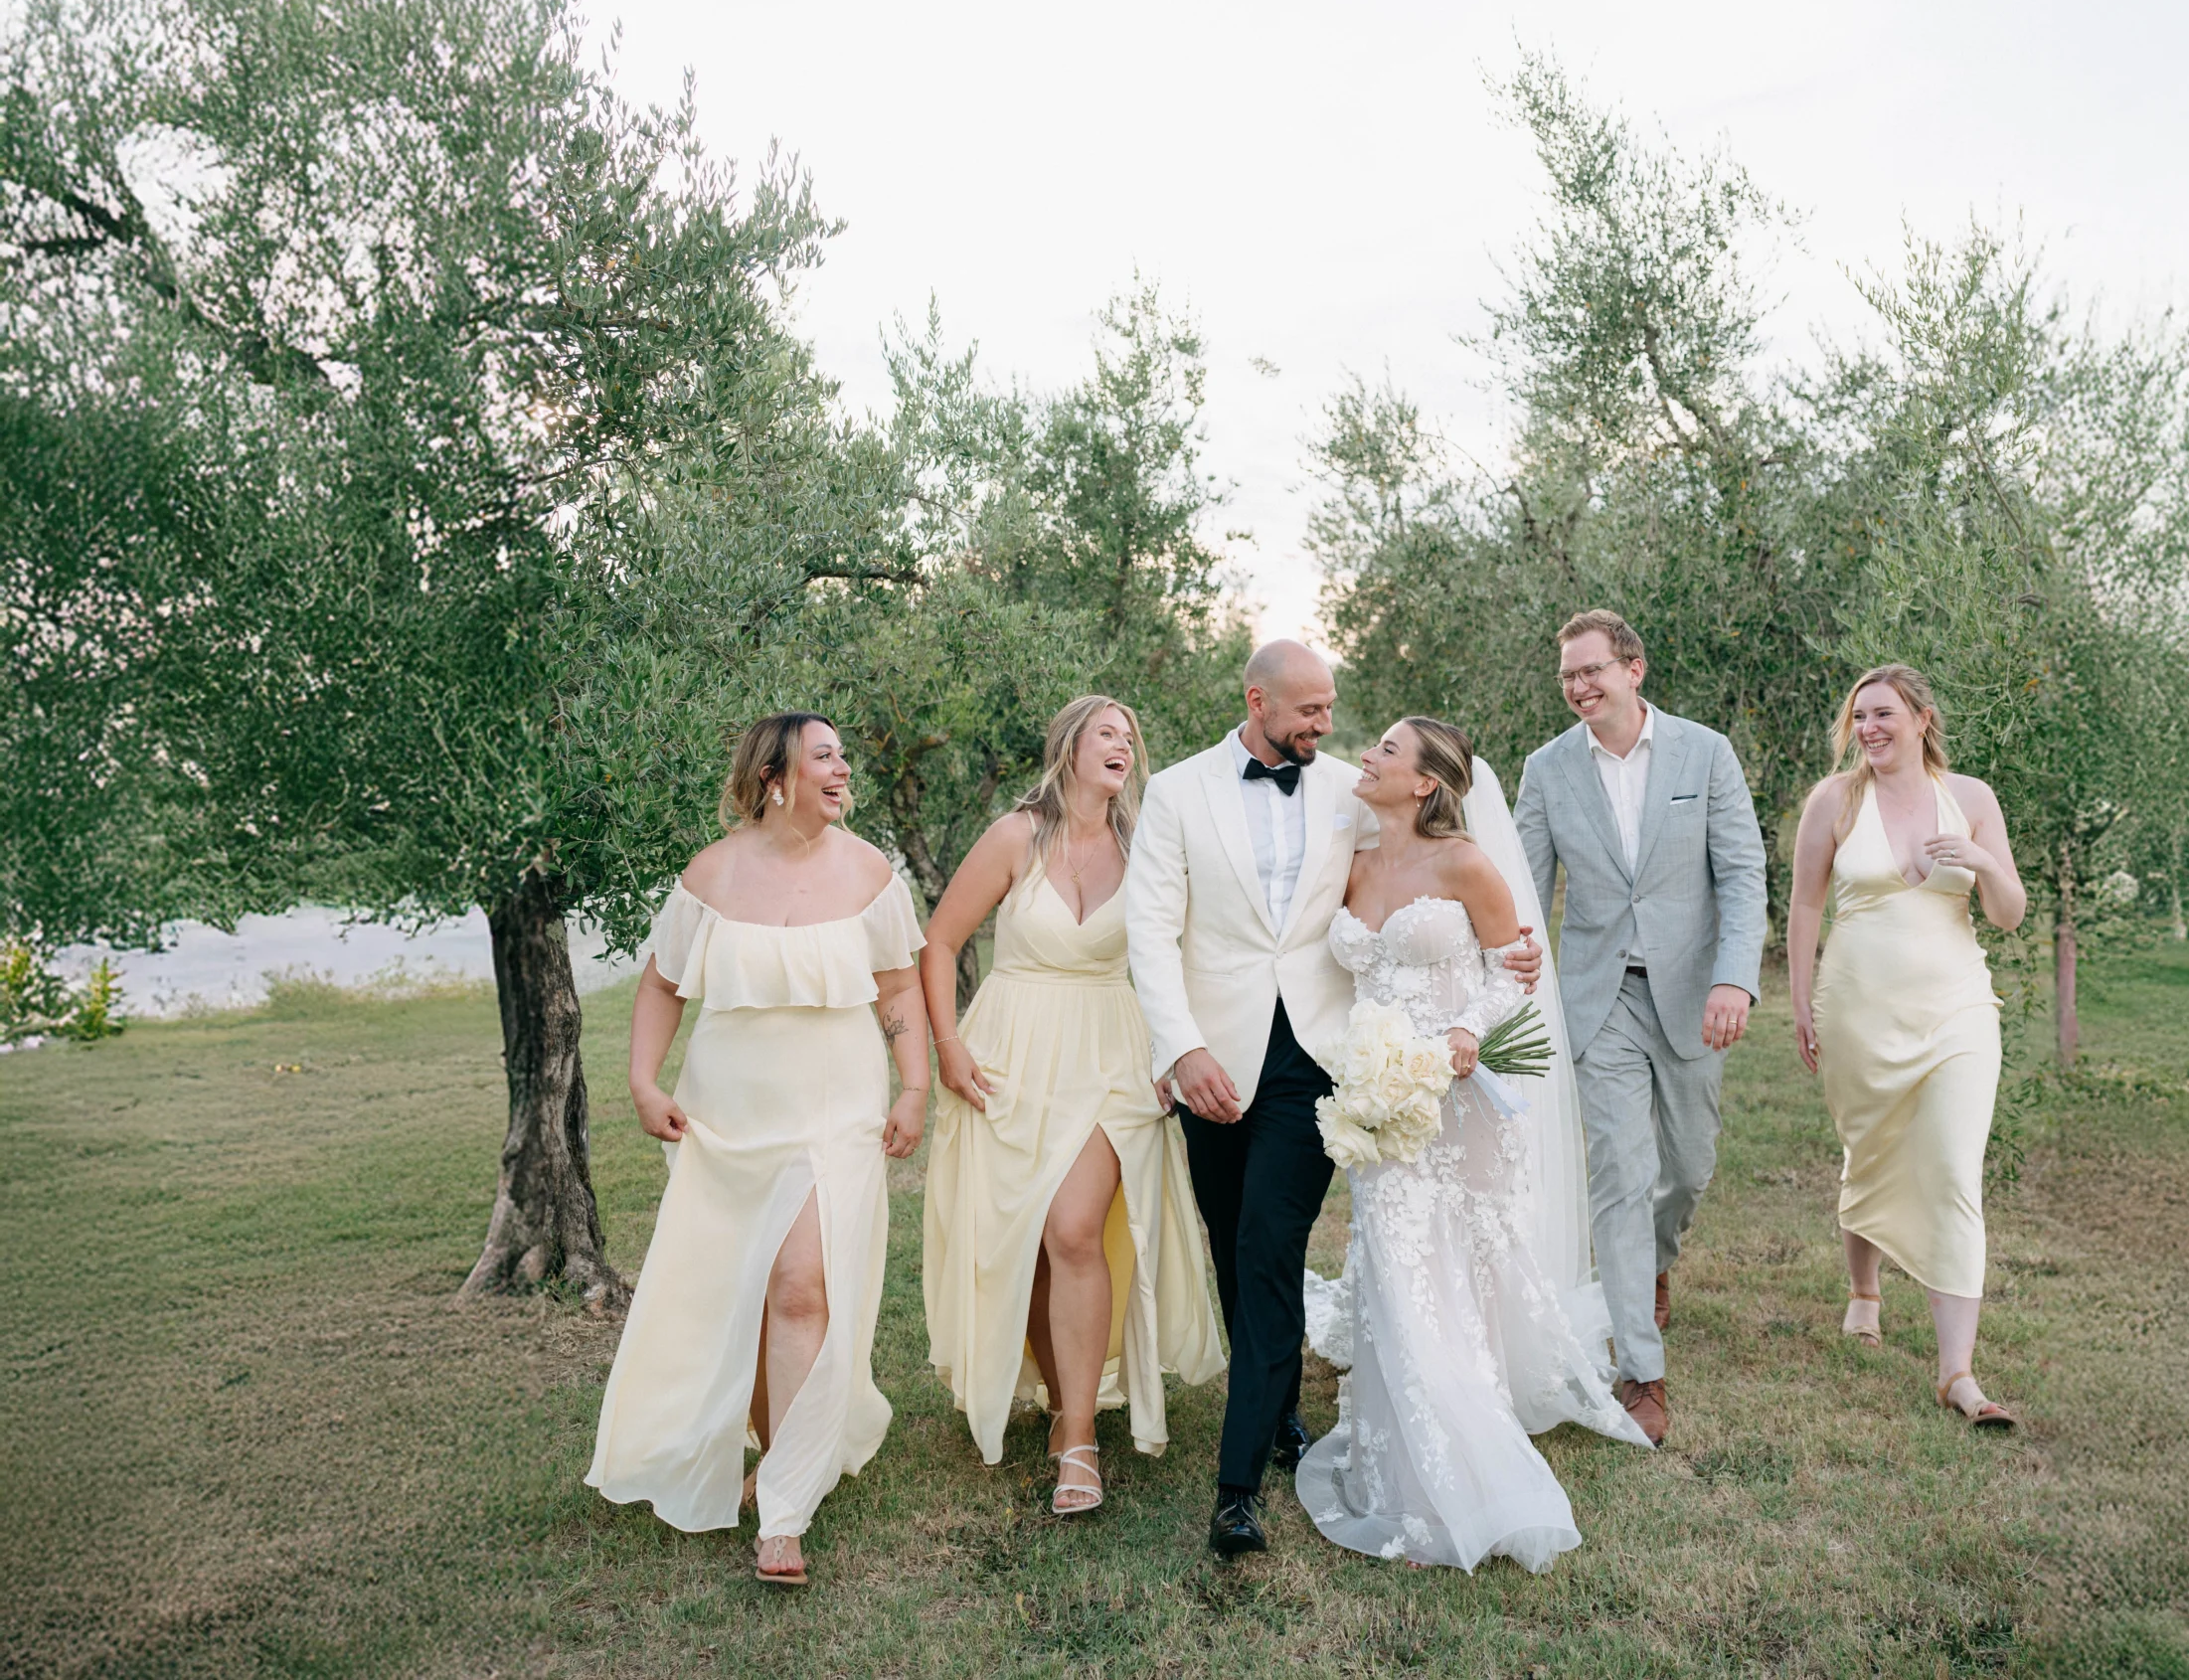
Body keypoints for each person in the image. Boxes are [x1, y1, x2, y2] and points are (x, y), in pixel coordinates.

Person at [1122, 640, 1544, 1559]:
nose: (1326, 725)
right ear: (1256, 699)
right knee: (1231, 1246)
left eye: (1331, 709)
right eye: (1309, 710)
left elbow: (1432, 863)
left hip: (1319, 1063)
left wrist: (1508, 964)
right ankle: (1273, 1416)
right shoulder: (1178, 794)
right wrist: (1181, 1047)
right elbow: (1150, 934)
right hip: (1212, 1061)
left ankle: (1236, 1493)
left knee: (1270, 1248)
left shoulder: (1349, 788)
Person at [1296, 718, 1650, 1574]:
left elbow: (1510, 966)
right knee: (1392, 1260)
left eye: (1385, 750)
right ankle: (1406, 1447)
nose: (1367, 757)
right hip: (1382, 1097)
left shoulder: (1463, 862)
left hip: (1458, 1099)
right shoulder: (1346, 859)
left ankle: (1466, 1438)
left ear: (1424, 783)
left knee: (1460, 1261)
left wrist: (1462, 1031)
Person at [586, 712, 930, 1586]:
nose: (843, 768)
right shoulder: (712, 872)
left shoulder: (869, 871)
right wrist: (642, 1081)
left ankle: (782, 1510)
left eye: (843, 755)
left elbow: (899, 987)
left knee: (803, 1285)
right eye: (826, 756)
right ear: (775, 777)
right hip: (729, 1108)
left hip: (835, 1105)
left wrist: (915, 1084)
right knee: (737, 1290)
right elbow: (662, 984)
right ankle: (773, 1451)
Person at [919, 695, 1224, 1513]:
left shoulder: (1145, 842)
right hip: (1013, 1051)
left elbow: (1181, 952)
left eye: (1131, 735)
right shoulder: (1017, 834)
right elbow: (942, 940)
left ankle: (1080, 1442)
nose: (1123, 744)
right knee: (1027, 1237)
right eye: (1106, 733)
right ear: (1070, 748)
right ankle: (1062, 1400)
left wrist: (1175, 1048)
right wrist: (949, 1047)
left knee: (1074, 1227)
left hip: (1112, 1054)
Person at [1513, 609, 1769, 1448]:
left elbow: (1740, 872)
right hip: (1599, 998)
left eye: (1592, 671)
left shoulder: (1706, 753)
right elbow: (1521, 889)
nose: (1580, 687)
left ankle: (1654, 1262)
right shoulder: (1547, 771)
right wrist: (1506, 963)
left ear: (1634, 669)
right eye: (1568, 678)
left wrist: (1734, 975)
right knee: (1620, 1172)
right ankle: (1641, 1371)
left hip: (1696, 992)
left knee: (1687, 1168)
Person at [1786, 665, 2026, 1429]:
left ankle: (1957, 1372)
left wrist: (1982, 861)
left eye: (1884, 714)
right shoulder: (1834, 800)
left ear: (1923, 718)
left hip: (1957, 1008)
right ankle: (1865, 1292)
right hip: (1857, 1007)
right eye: (1860, 718)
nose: (1870, 729)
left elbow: (2011, 913)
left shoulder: (1975, 800)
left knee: (1954, 1168)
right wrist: (1799, 1003)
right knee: (1871, 1148)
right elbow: (1804, 905)